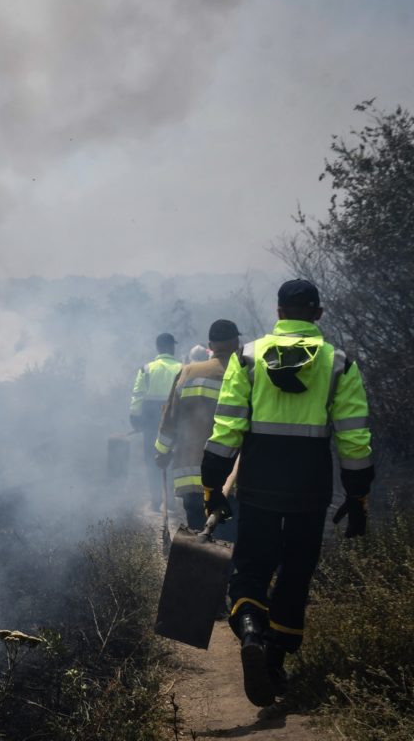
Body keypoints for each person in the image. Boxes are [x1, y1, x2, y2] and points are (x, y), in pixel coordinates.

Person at [201, 279, 373, 707]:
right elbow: (354, 439)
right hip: (310, 487)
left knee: (251, 566)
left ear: (279, 312)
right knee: (296, 572)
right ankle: (274, 662)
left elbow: (226, 429)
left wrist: (212, 486)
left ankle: (251, 633)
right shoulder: (340, 364)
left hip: (257, 483)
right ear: (318, 314)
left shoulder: (247, 357)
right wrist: (357, 497)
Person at [154, 320, 241, 531]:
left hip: (192, 478)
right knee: (226, 541)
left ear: (211, 344)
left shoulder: (189, 372)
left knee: (197, 539)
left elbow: (169, 420)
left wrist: (162, 452)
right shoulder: (245, 373)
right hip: (230, 480)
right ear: (237, 343)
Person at [129, 333, 182, 511]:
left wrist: (134, 417)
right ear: (172, 347)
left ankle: (155, 499)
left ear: (158, 348)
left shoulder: (146, 369)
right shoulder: (182, 368)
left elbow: (138, 395)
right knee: (172, 456)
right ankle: (171, 500)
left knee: (152, 458)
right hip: (173, 418)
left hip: (150, 419)